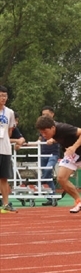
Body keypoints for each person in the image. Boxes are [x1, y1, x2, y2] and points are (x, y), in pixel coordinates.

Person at [0, 85, 17, 213]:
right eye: (1, 95)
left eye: (5, 96)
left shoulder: (10, 112)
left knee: (4, 177)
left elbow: (10, 131)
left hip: (5, 148)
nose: (3, 98)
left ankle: (6, 204)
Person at [39, 106, 61, 205]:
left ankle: (39, 182)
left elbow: (61, 138)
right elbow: (40, 138)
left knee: (48, 170)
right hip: (43, 153)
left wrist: (53, 140)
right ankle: (52, 198)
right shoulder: (42, 126)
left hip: (53, 153)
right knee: (48, 177)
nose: (45, 117)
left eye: (47, 115)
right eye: (43, 115)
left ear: (52, 114)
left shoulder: (57, 126)